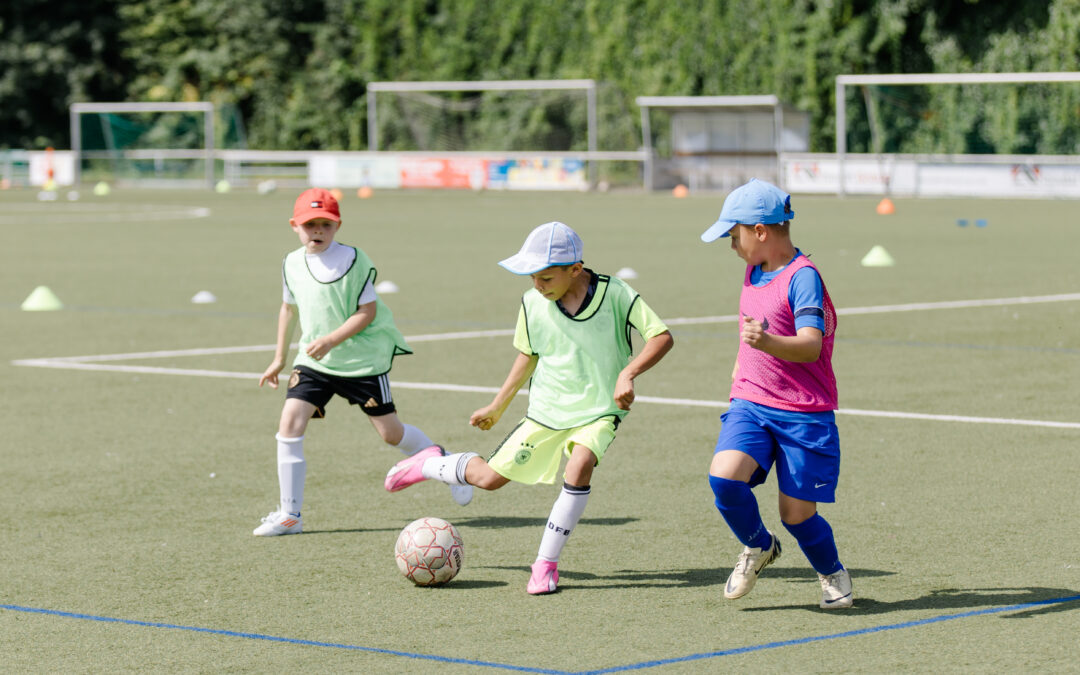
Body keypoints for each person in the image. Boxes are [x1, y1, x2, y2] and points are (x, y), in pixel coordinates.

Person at [384, 221, 674, 594]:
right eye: (532, 277)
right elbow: (527, 356)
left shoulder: (616, 294)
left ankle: (545, 565)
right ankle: (427, 462)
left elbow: (661, 336)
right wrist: (497, 405)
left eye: (546, 278)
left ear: (576, 269)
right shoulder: (532, 302)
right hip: (547, 411)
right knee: (488, 480)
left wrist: (628, 374)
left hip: (600, 410)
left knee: (581, 463)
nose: (537, 285)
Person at [254, 188, 471, 536]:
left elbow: (367, 313)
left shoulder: (354, 260)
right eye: (310, 225)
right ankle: (290, 514)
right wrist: (279, 358)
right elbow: (287, 308)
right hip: (314, 362)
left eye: (325, 224)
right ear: (295, 226)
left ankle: (446, 462)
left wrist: (331, 339)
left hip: (362, 363)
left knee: (392, 435)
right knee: (290, 425)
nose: (317, 231)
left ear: (337, 226)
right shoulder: (290, 263)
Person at [700, 178, 853, 609]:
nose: (732, 245)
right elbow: (751, 332)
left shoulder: (804, 278)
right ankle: (758, 545)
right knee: (723, 478)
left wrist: (766, 344)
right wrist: (739, 375)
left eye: (735, 235)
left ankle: (831, 572)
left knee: (797, 516)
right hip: (751, 403)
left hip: (803, 412)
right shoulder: (753, 268)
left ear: (761, 231)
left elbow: (809, 344)